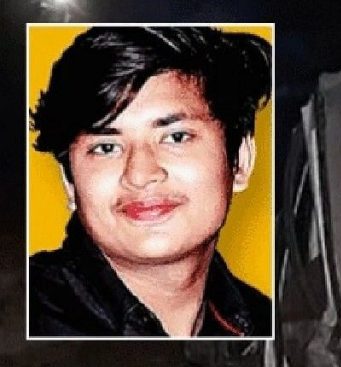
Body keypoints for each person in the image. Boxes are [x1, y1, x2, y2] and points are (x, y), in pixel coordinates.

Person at [29, 26, 272, 337]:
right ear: (70, 182)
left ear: (239, 160)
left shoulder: (269, 324)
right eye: (106, 148)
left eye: (176, 137)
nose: (140, 175)